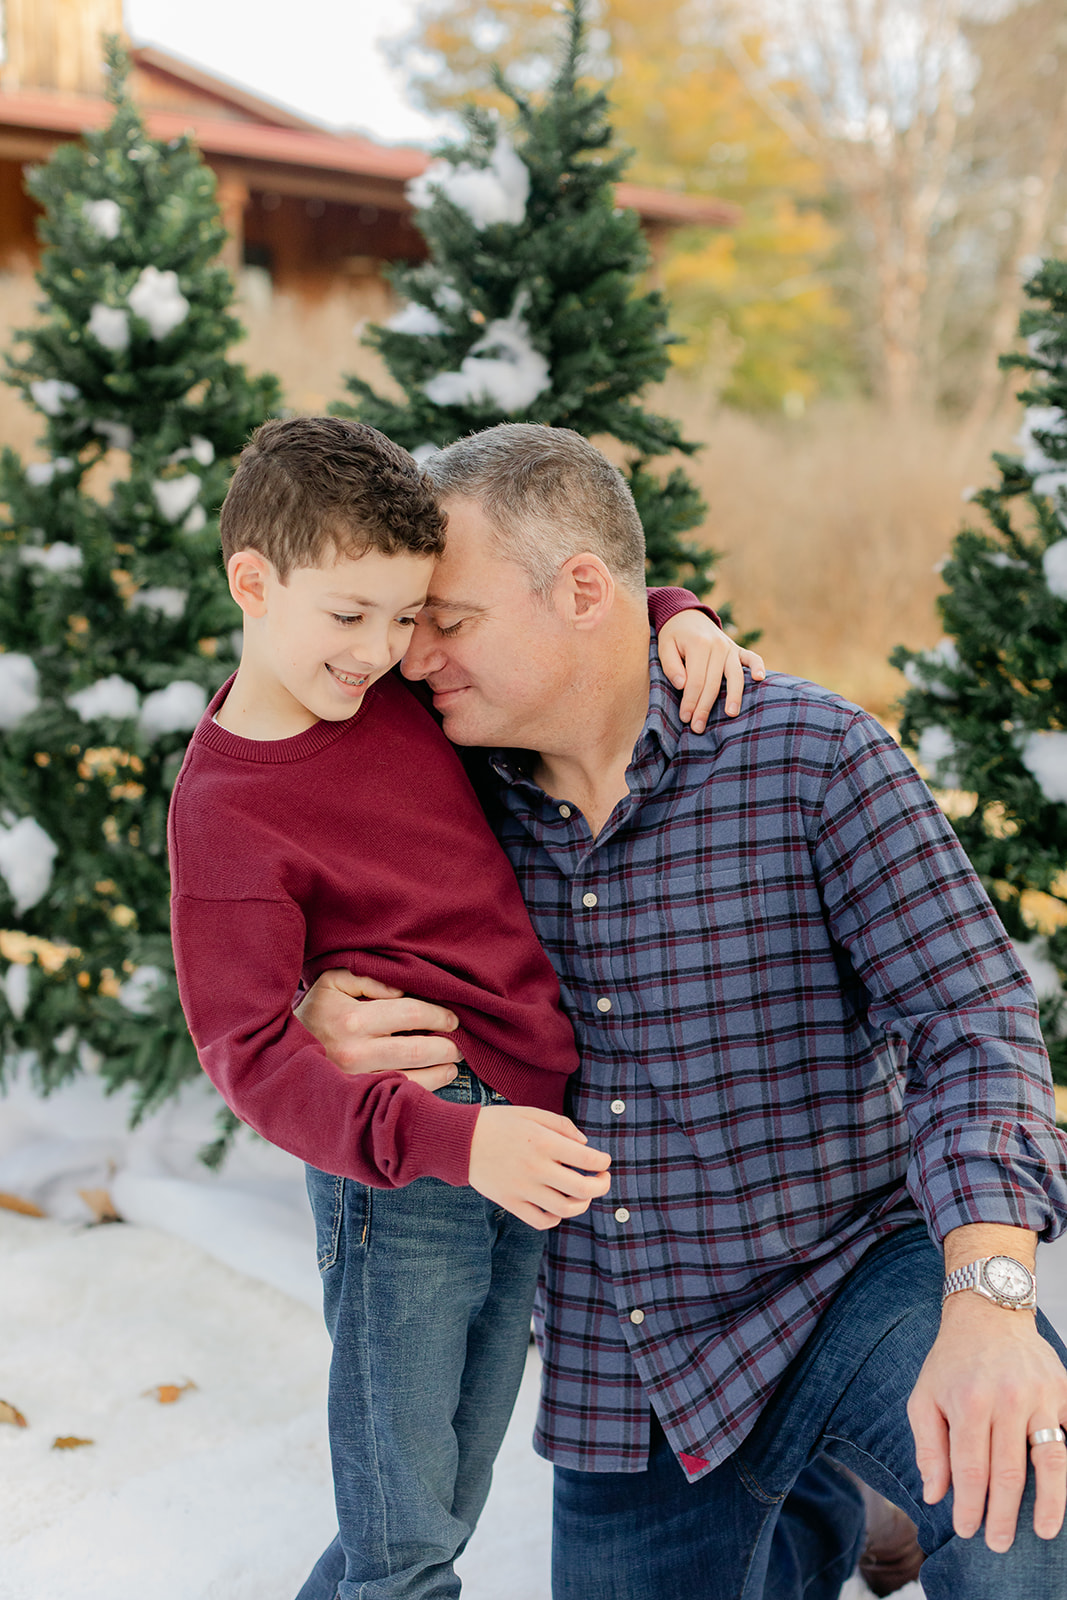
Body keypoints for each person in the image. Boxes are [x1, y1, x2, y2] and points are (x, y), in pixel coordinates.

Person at [299, 421, 1067, 1599]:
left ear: (582, 592)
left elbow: (973, 1021)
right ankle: (828, 1502)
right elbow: (257, 761)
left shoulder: (808, 756)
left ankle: (853, 1471)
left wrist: (990, 1299)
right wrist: (309, 1008)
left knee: (1033, 1502)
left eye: (447, 622)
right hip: (631, 1364)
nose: (414, 657)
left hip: (847, 1271)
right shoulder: (433, 793)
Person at [166, 415, 755, 1600]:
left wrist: (671, 608)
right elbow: (247, 1056)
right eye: (353, 615)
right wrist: (450, 1136)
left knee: (441, 1499)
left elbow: (553, 615)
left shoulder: (384, 694)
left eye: (406, 616)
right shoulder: (228, 808)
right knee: (403, 1537)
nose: (386, 650)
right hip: (411, 1152)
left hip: (517, 1130)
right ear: (252, 582)